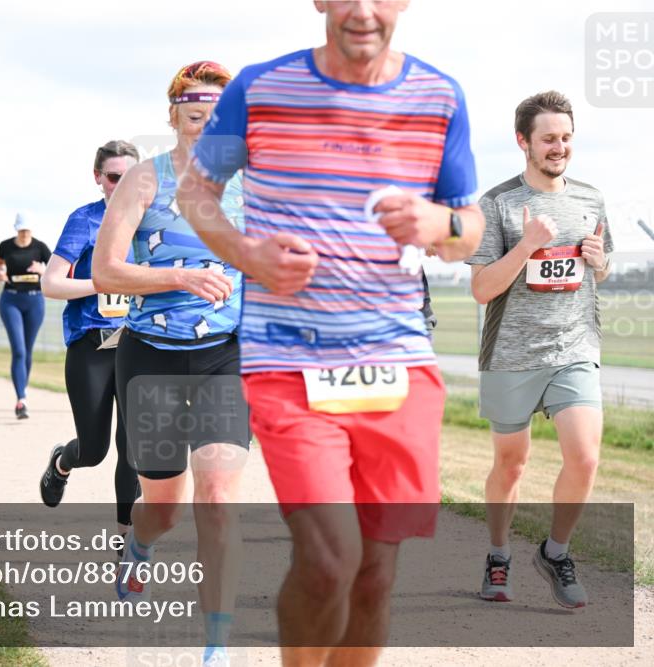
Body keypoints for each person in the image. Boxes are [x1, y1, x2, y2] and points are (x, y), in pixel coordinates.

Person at [176, 2, 486, 664]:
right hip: (288, 362)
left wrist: (440, 226)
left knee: (375, 572)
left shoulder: (441, 96)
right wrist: (247, 252)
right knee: (329, 554)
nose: (364, 9)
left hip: (398, 362)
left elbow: (469, 229)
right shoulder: (259, 89)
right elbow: (196, 192)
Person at [92, 61, 248, 667]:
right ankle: (138, 548)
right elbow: (106, 271)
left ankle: (216, 645)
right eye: (192, 103)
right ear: (174, 113)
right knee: (164, 506)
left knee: (217, 495)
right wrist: (178, 276)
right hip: (150, 356)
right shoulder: (141, 180)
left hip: (224, 357)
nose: (205, 113)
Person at [468, 91, 613, 609]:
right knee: (511, 465)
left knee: (586, 456)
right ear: (523, 141)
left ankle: (555, 551)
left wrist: (598, 262)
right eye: (549, 138)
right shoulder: (498, 204)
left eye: (567, 137)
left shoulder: (591, 199)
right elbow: (483, 289)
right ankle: (498, 554)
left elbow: (602, 268)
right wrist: (526, 245)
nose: (560, 147)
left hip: (574, 346)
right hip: (512, 353)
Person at [38, 139, 141, 547]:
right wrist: (104, 282)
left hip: (140, 343)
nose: (122, 184)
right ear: (98, 178)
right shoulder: (83, 220)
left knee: (133, 446)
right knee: (94, 450)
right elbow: (51, 283)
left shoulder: (154, 220)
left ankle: (126, 540)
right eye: (114, 177)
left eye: (130, 176)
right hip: (91, 347)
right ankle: (63, 461)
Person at [0, 213, 51, 418]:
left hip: (35, 301)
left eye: (27, 230)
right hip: (11, 300)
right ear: (16, 229)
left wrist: (42, 270)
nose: (24, 233)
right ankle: (21, 400)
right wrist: (0, 272)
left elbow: (57, 272)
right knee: (18, 350)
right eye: (21, 230)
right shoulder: (5, 246)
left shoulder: (40, 247)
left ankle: (23, 389)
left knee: (27, 350)